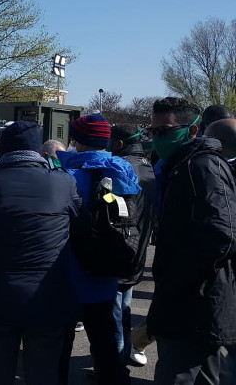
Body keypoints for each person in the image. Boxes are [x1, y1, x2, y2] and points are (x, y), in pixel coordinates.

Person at [0, 121, 81, 385]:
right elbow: (81, 222)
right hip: (48, 295)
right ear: (38, 151)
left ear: (3, 149)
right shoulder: (63, 182)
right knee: (43, 372)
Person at [145, 97, 236, 383]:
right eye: (153, 131)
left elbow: (223, 236)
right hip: (191, 301)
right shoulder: (183, 165)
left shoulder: (201, 167)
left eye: (164, 131)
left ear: (193, 130)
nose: (157, 138)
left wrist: (181, 278)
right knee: (203, 376)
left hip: (193, 302)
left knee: (177, 375)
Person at [56, 114, 140, 385]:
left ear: (78, 142)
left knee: (61, 343)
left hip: (70, 270)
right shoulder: (123, 172)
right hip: (107, 267)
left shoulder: (67, 175)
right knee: (105, 341)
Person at [108, 124, 157, 367]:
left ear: (119, 144)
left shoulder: (120, 168)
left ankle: (116, 368)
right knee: (124, 308)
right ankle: (122, 357)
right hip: (138, 247)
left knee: (114, 316)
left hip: (120, 247)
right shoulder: (149, 167)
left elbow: (112, 210)